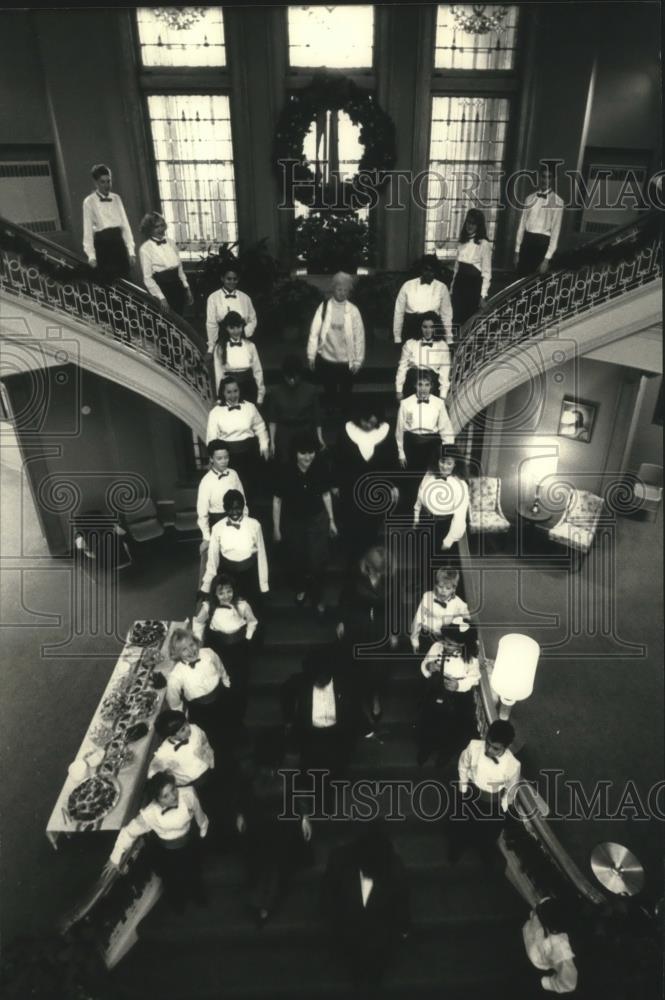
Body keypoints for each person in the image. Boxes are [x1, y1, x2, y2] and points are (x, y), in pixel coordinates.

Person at [235, 728, 313, 928]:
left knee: (273, 861)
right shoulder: (250, 770)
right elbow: (243, 794)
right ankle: (263, 900)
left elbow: (300, 793)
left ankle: (264, 903)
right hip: (259, 820)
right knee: (263, 860)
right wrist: (241, 814)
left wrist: (304, 818)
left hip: (284, 821)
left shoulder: (290, 768)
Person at [103, 771, 208, 912]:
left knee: (194, 872)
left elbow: (198, 811)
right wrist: (115, 857)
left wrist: (203, 827)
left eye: (173, 789)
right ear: (156, 800)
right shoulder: (150, 814)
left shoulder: (187, 793)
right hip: (168, 853)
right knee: (173, 881)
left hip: (189, 844)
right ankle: (178, 905)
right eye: (166, 796)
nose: (173, 796)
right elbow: (128, 832)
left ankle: (199, 897)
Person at [322, 824, 410, 989]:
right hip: (348, 930)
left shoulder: (394, 868)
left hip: (380, 934)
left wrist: (395, 935)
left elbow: (402, 911)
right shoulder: (339, 863)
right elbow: (327, 904)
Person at [280, 647, 363, 809]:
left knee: (333, 769)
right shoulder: (299, 682)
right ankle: (316, 800)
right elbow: (285, 692)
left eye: (322, 678)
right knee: (312, 769)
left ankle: (328, 798)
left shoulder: (344, 684)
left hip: (336, 734)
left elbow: (354, 709)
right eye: (315, 678)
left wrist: (367, 730)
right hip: (311, 734)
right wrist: (289, 718)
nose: (318, 682)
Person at [272, 432, 337, 617]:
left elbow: (326, 495)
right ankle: (301, 589)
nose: (308, 457)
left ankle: (318, 595)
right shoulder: (285, 471)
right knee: (296, 558)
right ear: (295, 453)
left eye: (311, 453)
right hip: (293, 522)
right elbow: (277, 500)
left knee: (318, 561)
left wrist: (331, 521)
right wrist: (276, 528)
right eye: (303, 453)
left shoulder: (321, 468)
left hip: (317, 520)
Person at [337, 545, 398, 724]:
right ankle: (357, 696)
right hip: (357, 624)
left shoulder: (390, 579)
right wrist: (341, 621)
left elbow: (395, 607)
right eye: (376, 570)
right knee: (357, 664)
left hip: (380, 626)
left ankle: (375, 698)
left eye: (382, 571)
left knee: (378, 668)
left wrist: (393, 631)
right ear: (368, 565)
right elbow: (344, 600)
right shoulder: (355, 576)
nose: (379, 574)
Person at [449, 719, 521, 865]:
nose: (488, 750)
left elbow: (511, 790)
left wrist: (503, 807)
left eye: (495, 748)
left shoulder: (513, 765)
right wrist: (463, 788)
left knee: (488, 833)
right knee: (461, 825)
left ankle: (484, 850)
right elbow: (463, 765)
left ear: (506, 748)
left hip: (492, 802)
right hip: (470, 794)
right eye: (487, 743)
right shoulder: (474, 746)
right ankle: (457, 847)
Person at [334, 400, 400, 560]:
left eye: (372, 422)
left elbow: (392, 462)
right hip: (351, 488)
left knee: (371, 528)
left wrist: (393, 486)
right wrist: (335, 483)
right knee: (351, 528)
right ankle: (352, 563)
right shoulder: (347, 431)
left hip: (376, 490)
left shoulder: (386, 432)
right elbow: (337, 460)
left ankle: (368, 563)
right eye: (365, 421)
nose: (369, 425)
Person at [193, 573, 257, 725]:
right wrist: (198, 642)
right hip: (219, 648)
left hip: (239, 647)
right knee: (222, 680)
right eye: (221, 593)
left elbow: (252, 622)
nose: (226, 596)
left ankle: (240, 715)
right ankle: (227, 715)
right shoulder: (209, 606)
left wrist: (247, 637)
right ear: (215, 593)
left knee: (240, 681)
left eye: (229, 591)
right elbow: (198, 623)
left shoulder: (241, 605)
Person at [416, 619, 480, 766]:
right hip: (435, 690)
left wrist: (459, 684)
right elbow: (424, 664)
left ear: (462, 644)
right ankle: (426, 748)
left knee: (450, 728)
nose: (445, 645)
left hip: (456, 697)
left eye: (450, 644)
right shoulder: (437, 647)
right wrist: (428, 667)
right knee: (429, 722)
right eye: (445, 641)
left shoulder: (470, 657)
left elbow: (474, 678)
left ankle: (445, 753)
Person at [200, 489, 269, 611]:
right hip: (228, 575)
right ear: (225, 508)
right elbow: (213, 560)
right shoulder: (217, 528)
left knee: (252, 610)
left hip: (249, 575)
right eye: (230, 508)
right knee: (229, 611)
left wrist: (264, 585)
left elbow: (262, 557)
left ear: (243, 506)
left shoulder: (255, 525)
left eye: (238, 508)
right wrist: (205, 586)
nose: (235, 512)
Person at [306, 272, 365, 415]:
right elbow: (314, 332)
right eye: (339, 289)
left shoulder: (353, 310)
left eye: (345, 290)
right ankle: (330, 414)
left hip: (346, 360)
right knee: (329, 390)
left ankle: (344, 417)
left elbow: (359, 337)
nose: (342, 293)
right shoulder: (324, 307)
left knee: (346, 393)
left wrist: (358, 361)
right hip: (328, 358)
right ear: (333, 289)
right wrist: (311, 355)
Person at [165, 627, 231, 754]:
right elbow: (174, 703)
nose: (190, 650)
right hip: (201, 712)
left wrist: (226, 682)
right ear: (177, 654)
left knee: (227, 725)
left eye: (191, 644)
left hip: (222, 697)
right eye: (184, 649)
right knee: (213, 739)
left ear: (196, 642)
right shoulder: (176, 675)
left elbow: (220, 667)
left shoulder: (208, 653)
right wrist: (182, 719)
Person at [396, 372, 455, 510]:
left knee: (430, 481)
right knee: (411, 483)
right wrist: (401, 453)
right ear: (414, 385)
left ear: (432, 386)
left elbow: (446, 429)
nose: (423, 388)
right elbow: (399, 430)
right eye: (420, 384)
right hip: (412, 445)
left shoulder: (439, 404)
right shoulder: (405, 403)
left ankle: (428, 513)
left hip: (432, 446)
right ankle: (409, 515)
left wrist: (447, 452)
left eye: (427, 384)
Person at [206, 377, 269, 504]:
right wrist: (213, 460)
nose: (233, 395)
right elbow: (212, 438)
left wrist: (264, 445)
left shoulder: (249, 407)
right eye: (229, 392)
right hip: (229, 456)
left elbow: (260, 427)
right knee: (233, 488)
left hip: (250, 453)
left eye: (235, 391)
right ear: (223, 393)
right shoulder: (215, 413)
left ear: (240, 391)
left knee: (254, 490)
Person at [196, 440, 246, 579]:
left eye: (226, 457)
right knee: (220, 563)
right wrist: (206, 537)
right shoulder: (206, 482)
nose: (224, 461)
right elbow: (202, 513)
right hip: (217, 522)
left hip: (236, 519)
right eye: (219, 458)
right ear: (211, 459)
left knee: (238, 556)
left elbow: (243, 499)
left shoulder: (234, 474)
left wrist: (245, 521)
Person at [264, 355, 324, 463]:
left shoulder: (311, 390)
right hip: (284, 432)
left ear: (300, 374)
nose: (292, 380)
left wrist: (319, 438)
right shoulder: (275, 391)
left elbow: (317, 417)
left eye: (295, 377)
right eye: (288, 377)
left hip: (305, 430)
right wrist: (272, 441)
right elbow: (272, 419)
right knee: (285, 461)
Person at [82, 164, 135, 282]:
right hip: (103, 246)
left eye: (108, 181)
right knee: (108, 284)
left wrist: (131, 251)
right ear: (96, 183)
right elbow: (88, 231)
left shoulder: (116, 198)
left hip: (118, 244)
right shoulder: (89, 202)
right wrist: (91, 256)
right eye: (102, 182)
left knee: (126, 281)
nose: (107, 185)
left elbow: (125, 225)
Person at [413, 446, 469, 557]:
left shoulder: (461, 485)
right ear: (438, 460)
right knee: (421, 554)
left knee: (437, 559)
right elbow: (419, 497)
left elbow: (460, 516)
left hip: (443, 526)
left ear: (455, 464)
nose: (444, 466)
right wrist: (416, 518)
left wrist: (449, 540)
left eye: (449, 463)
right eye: (442, 461)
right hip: (425, 520)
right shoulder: (429, 474)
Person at [514, 163, 564, 277]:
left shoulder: (558, 202)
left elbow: (555, 233)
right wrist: (517, 251)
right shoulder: (529, 198)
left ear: (552, 179)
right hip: (526, 245)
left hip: (542, 247)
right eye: (543, 176)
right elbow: (521, 226)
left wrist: (547, 259)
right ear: (539, 177)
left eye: (548, 177)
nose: (545, 180)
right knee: (520, 281)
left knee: (536, 286)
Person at [138, 211, 193, 316]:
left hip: (178, 287)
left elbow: (180, 268)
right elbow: (147, 278)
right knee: (166, 321)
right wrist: (161, 297)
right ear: (149, 229)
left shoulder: (171, 242)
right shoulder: (145, 249)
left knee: (179, 318)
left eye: (162, 225)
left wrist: (187, 288)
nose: (161, 229)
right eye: (156, 227)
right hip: (162, 289)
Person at [393, 255, 453, 346]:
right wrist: (397, 337)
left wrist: (449, 338)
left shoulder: (442, 288)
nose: (428, 273)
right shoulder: (408, 285)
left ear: (435, 271)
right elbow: (398, 313)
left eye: (432, 271)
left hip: (432, 331)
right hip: (411, 330)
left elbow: (446, 315)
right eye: (426, 270)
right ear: (421, 270)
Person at [522, 897, 578, 993]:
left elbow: (570, 983)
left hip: (536, 957)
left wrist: (547, 982)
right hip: (530, 933)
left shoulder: (560, 948)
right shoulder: (547, 910)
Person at [148, 710, 215, 790]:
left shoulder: (194, 729)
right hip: (190, 784)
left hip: (208, 769)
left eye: (186, 723)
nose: (188, 728)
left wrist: (211, 759)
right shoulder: (164, 752)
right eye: (183, 729)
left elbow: (204, 741)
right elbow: (152, 772)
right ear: (171, 736)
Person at [410, 567, 470, 654]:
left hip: (448, 640)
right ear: (436, 585)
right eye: (440, 586)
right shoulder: (427, 597)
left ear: (454, 589)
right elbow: (418, 620)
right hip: (428, 637)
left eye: (448, 588)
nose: (443, 591)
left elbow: (468, 621)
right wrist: (414, 641)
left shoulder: (458, 603)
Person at [450, 208, 492, 330]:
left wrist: (483, 295)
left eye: (473, 223)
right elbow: (456, 268)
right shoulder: (461, 241)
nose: (470, 226)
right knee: (456, 318)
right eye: (468, 222)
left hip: (473, 286)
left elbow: (487, 272)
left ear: (479, 225)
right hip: (459, 284)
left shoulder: (484, 244)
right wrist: (452, 288)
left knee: (469, 320)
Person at [395, 311, 451, 401]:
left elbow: (445, 372)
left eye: (431, 327)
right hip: (413, 382)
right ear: (420, 327)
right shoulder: (410, 344)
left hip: (432, 384)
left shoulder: (442, 345)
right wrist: (399, 390)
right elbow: (402, 367)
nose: (428, 331)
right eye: (425, 327)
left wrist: (443, 396)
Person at [212, 311, 264, 404]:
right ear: (226, 328)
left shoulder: (250, 346)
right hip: (230, 387)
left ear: (242, 326)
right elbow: (218, 373)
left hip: (248, 387)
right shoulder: (220, 347)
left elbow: (257, 371)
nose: (236, 331)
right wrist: (220, 396)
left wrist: (260, 394)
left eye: (239, 327)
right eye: (232, 328)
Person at [205, 265, 257, 360]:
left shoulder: (245, 298)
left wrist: (245, 332)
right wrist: (211, 347)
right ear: (222, 279)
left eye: (235, 279)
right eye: (228, 279)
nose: (232, 282)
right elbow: (211, 323)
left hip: (242, 336)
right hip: (222, 338)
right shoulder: (213, 298)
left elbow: (252, 319)